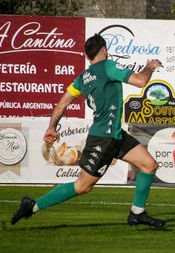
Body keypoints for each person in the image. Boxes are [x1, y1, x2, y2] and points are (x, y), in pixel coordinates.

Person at [11, 34, 166, 227]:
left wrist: (52, 128)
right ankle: (32, 206)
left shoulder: (82, 79)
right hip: (103, 139)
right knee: (82, 186)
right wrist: (150, 66)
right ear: (105, 51)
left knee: (148, 165)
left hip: (115, 135)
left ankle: (137, 213)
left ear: (86, 56)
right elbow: (141, 81)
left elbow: (60, 106)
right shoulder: (108, 66)